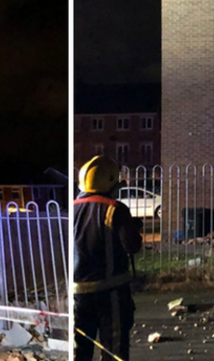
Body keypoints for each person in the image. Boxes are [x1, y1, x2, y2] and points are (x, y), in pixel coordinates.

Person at [73, 155, 143, 361]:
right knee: (114, 350)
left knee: (80, 350)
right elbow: (132, 245)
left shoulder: (74, 208)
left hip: (79, 295)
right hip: (110, 293)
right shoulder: (116, 209)